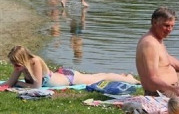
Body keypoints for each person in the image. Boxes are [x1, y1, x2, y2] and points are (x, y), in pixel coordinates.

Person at [0, 46, 139, 89]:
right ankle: (124, 76)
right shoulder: (21, 67)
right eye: (13, 64)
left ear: (23, 60)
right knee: (97, 76)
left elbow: (36, 87)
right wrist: (10, 84)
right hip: (61, 75)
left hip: (69, 78)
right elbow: (9, 83)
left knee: (99, 77)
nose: (14, 67)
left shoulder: (34, 62)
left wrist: (18, 83)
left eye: (16, 64)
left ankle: (130, 79)